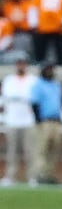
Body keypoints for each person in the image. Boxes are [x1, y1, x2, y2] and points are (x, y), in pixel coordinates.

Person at [1, 53, 37, 185]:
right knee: (11, 151)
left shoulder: (33, 80)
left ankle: (32, 176)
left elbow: (31, 97)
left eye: (23, 63)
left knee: (30, 151)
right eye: (19, 63)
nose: (21, 65)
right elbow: (7, 97)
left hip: (28, 120)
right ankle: (10, 176)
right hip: (12, 120)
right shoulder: (9, 80)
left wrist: (20, 99)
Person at [30, 61, 62, 184]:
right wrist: (38, 121)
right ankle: (38, 175)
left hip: (56, 121)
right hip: (44, 121)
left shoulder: (55, 85)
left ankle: (48, 174)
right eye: (48, 69)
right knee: (41, 149)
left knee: (54, 149)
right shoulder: (38, 84)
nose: (50, 72)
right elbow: (34, 103)